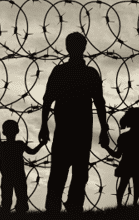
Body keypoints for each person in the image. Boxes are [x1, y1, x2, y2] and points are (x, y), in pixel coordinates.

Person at [38, 32, 109, 213]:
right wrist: (104, 128)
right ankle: (71, 207)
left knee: (64, 174)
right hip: (79, 131)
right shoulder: (88, 73)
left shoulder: (61, 71)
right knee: (76, 174)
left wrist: (44, 126)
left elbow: (47, 100)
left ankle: (58, 208)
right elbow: (100, 103)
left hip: (68, 131)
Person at [0, 120, 46, 213]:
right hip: (19, 176)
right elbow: (32, 152)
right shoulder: (19, 144)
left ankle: (5, 211)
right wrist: (41, 144)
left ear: (3, 132)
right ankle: (20, 212)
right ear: (18, 131)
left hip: (7, 176)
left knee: (6, 199)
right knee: (21, 198)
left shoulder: (2, 145)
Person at [102, 107, 139, 207]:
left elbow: (117, 155)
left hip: (126, 164)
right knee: (137, 186)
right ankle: (134, 205)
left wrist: (107, 148)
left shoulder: (124, 136)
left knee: (123, 185)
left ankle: (119, 206)